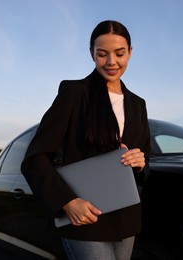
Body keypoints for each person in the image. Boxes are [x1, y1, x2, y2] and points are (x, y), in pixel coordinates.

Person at [21, 20, 150, 260]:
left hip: (126, 220)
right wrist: (67, 202)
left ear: (130, 52)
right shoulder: (73, 93)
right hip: (83, 218)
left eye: (119, 53)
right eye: (102, 54)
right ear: (91, 53)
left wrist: (141, 162)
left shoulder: (137, 104)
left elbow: (146, 167)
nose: (111, 62)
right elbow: (35, 158)